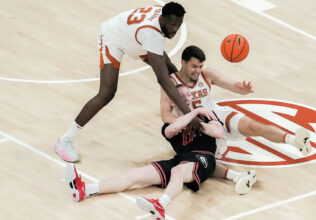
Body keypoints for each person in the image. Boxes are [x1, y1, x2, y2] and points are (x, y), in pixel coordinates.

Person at [64, 85, 256, 220]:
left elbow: (218, 132)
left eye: (189, 96)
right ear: (174, 101)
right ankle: (85, 190)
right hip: (181, 159)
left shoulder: (206, 114)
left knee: (178, 172)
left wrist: (198, 117)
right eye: (183, 97)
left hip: (204, 158)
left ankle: (161, 205)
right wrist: (194, 114)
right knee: (136, 174)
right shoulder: (175, 122)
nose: (188, 99)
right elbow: (172, 130)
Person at [54, 2, 208, 163]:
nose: (175, 30)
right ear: (162, 20)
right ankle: (65, 140)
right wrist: (190, 115)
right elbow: (161, 79)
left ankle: (189, 111)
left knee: (171, 69)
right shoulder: (151, 34)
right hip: (113, 38)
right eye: (173, 25)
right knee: (107, 93)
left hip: (134, 38)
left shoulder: (160, 21)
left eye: (179, 24)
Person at [160, 45, 312, 158]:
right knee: (212, 157)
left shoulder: (207, 74)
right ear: (183, 62)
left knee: (253, 126)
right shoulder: (170, 83)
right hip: (195, 127)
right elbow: (165, 114)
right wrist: (186, 121)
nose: (197, 71)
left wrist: (242, 89)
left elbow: (232, 85)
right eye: (194, 66)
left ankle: (294, 140)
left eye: (200, 66)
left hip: (216, 114)